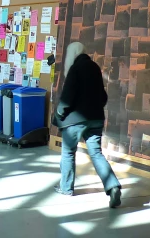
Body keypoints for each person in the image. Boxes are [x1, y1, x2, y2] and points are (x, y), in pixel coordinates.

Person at [53, 42, 122, 208]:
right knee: (97, 153)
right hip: (96, 119)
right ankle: (113, 186)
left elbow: (67, 96)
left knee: (68, 152)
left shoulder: (75, 69)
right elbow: (103, 97)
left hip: (75, 121)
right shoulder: (95, 68)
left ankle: (66, 188)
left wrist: (60, 112)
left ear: (72, 54)